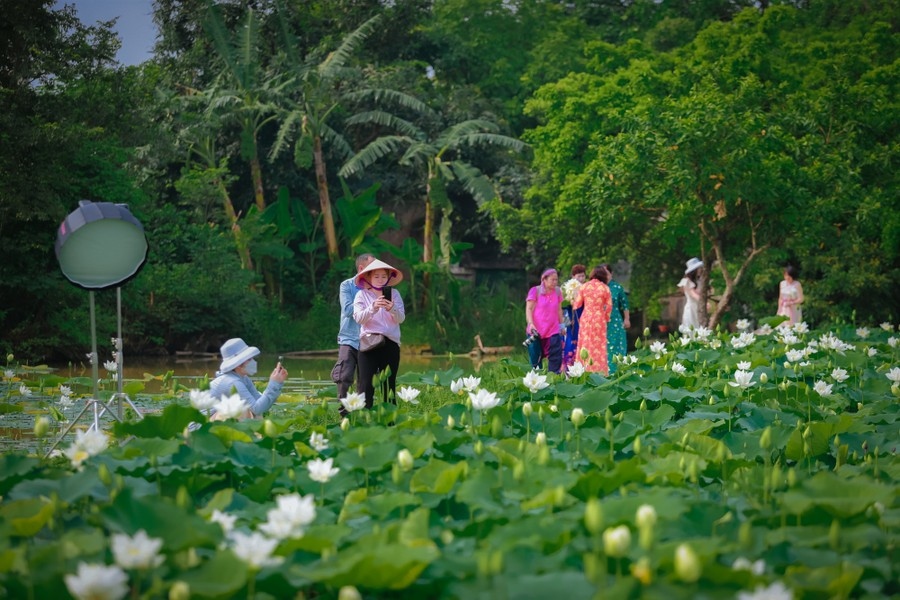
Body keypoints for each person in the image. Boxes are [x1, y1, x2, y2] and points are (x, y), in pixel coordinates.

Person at [353, 258, 406, 408]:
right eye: (376, 276)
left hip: (390, 343)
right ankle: (364, 420)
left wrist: (392, 309)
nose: (380, 280)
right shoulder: (361, 295)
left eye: (384, 276)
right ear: (368, 277)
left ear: (389, 278)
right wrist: (373, 307)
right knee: (365, 385)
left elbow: (401, 318)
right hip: (369, 343)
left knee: (388, 385)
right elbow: (358, 318)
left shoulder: (394, 295)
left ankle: (390, 423)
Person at [333, 253, 375, 409]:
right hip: (349, 338)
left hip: (369, 339)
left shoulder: (377, 287)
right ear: (361, 268)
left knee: (367, 380)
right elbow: (348, 310)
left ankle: (366, 412)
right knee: (344, 375)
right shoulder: (347, 285)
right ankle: (342, 412)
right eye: (372, 267)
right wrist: (369, 305)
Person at [208, 338, 288, 419]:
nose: (253, 362)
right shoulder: (233, 382)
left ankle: (256, 431)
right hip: (201, 425)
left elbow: (259, 402)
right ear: (238, 364)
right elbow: (257, 409)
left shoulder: (244, 378)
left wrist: (277, 383)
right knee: (242, 408)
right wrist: (273, 384)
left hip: (215, 420)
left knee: (252, 409)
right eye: (249, 359)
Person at [525, 268, 565, 373]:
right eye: (552, 280)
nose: (555, 282)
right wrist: (531, 324)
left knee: (556, 358)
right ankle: (538, 382)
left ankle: (554, 380)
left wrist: (562, 325)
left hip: (553, 330)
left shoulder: (557, 291)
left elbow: (559, 310)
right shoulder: (535, 291)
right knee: (536, 361)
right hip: (536, 331)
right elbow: (529, 309)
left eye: (556, 280)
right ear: (544, 279)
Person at [574, 265, 612, 374]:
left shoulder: (584, 287)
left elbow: (577, 304)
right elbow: (609, 307)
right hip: (599, 319)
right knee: (599, 346)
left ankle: (583, 370)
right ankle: (600, 372)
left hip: (586, 318)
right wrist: (606, 318)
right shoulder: (605, 288)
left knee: (585, 344)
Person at [601, 263, 630, 374]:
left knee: (617, 346)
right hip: (601, 322)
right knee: (604, 347)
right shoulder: (599, 287)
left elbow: (625, 304)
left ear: (611, 273)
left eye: (606, 273)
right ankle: (604, 374)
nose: (605, 276)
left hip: (615, 321)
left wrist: (627, 319)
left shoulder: (617, 287)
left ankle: (618, 372)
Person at [562, 264, 586, 369]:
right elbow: (562, 308)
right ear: (573, 276)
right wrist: (566, 322)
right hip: (571, 319)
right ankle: (568, 368)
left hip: (583, 318)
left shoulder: (586, 288)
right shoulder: (566, 289)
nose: (581, 279)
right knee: (570, 340)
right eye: (579, 276)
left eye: (583, 276)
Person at [677, 258, 704, 330]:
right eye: (698, 268)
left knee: (700, 328)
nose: (700, 270)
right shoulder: (686, 281)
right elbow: (693, 294)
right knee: (691, 328)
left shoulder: (699, 281)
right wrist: (703, 302)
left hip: (699, 308)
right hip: (691, 308)